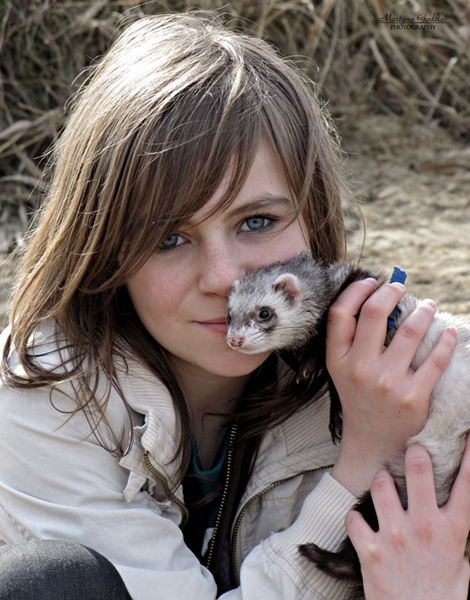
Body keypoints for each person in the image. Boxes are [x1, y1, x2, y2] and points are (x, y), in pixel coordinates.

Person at [0, 11, 468, 600]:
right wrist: (364, 460)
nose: (224, 279)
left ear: (312, 218)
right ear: (105, 248)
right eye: (168, 239)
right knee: (50, 584)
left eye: (257, 221)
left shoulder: (389, 368)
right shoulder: (51, 397)